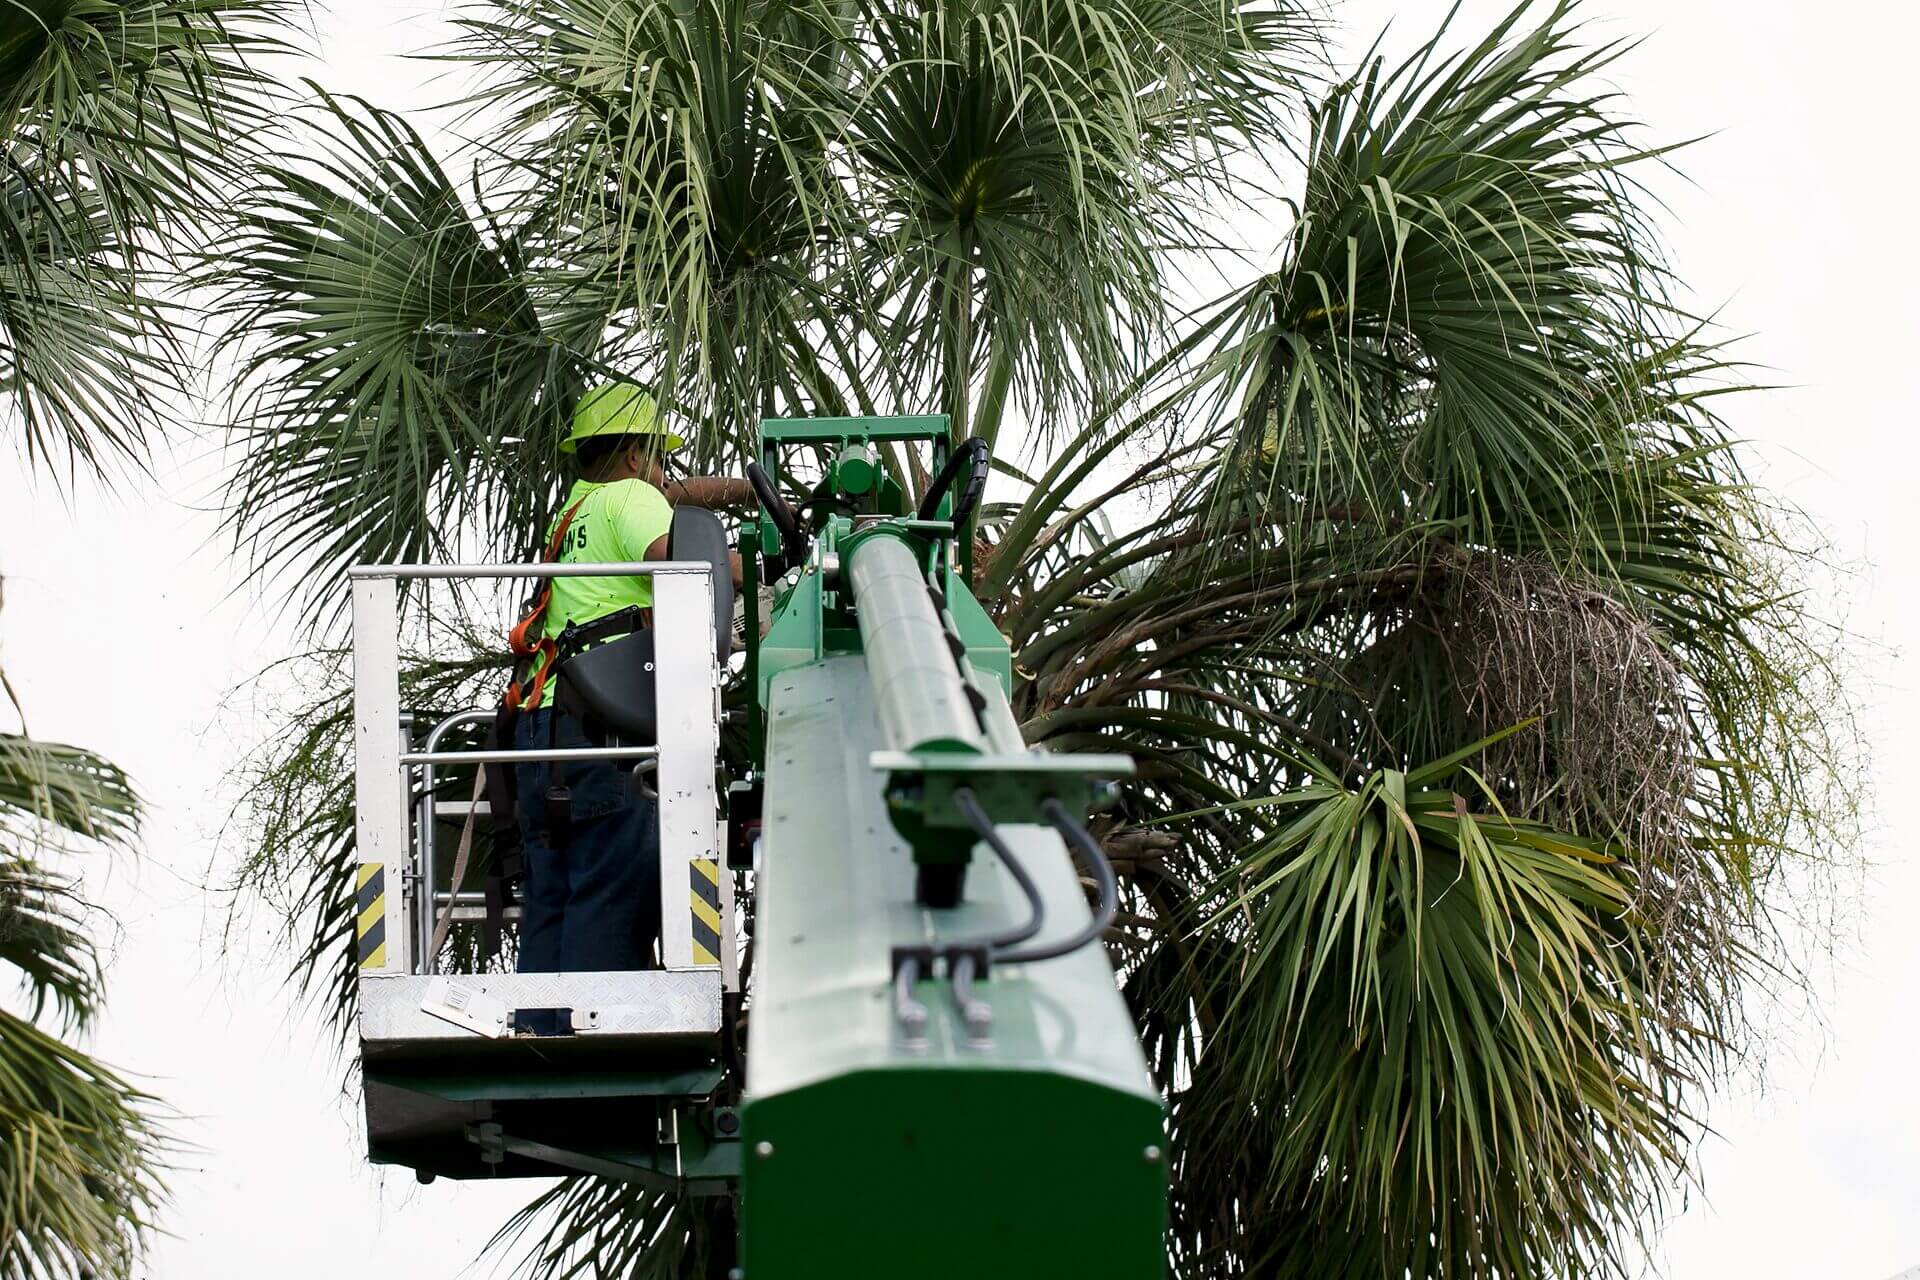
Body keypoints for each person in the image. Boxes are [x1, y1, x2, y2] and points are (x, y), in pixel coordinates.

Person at [509, 381, 748, 974]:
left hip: (542, 733)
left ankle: (541, 1035)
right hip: (604, 735)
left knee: (554, 893)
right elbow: (693, 561)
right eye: (658, 459)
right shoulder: (632, 502)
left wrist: (745, 488)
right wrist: (776, 556)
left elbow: (676, 495)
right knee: (613, 887)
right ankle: (595, 1042)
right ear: (638, 458)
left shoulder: (573, 513)